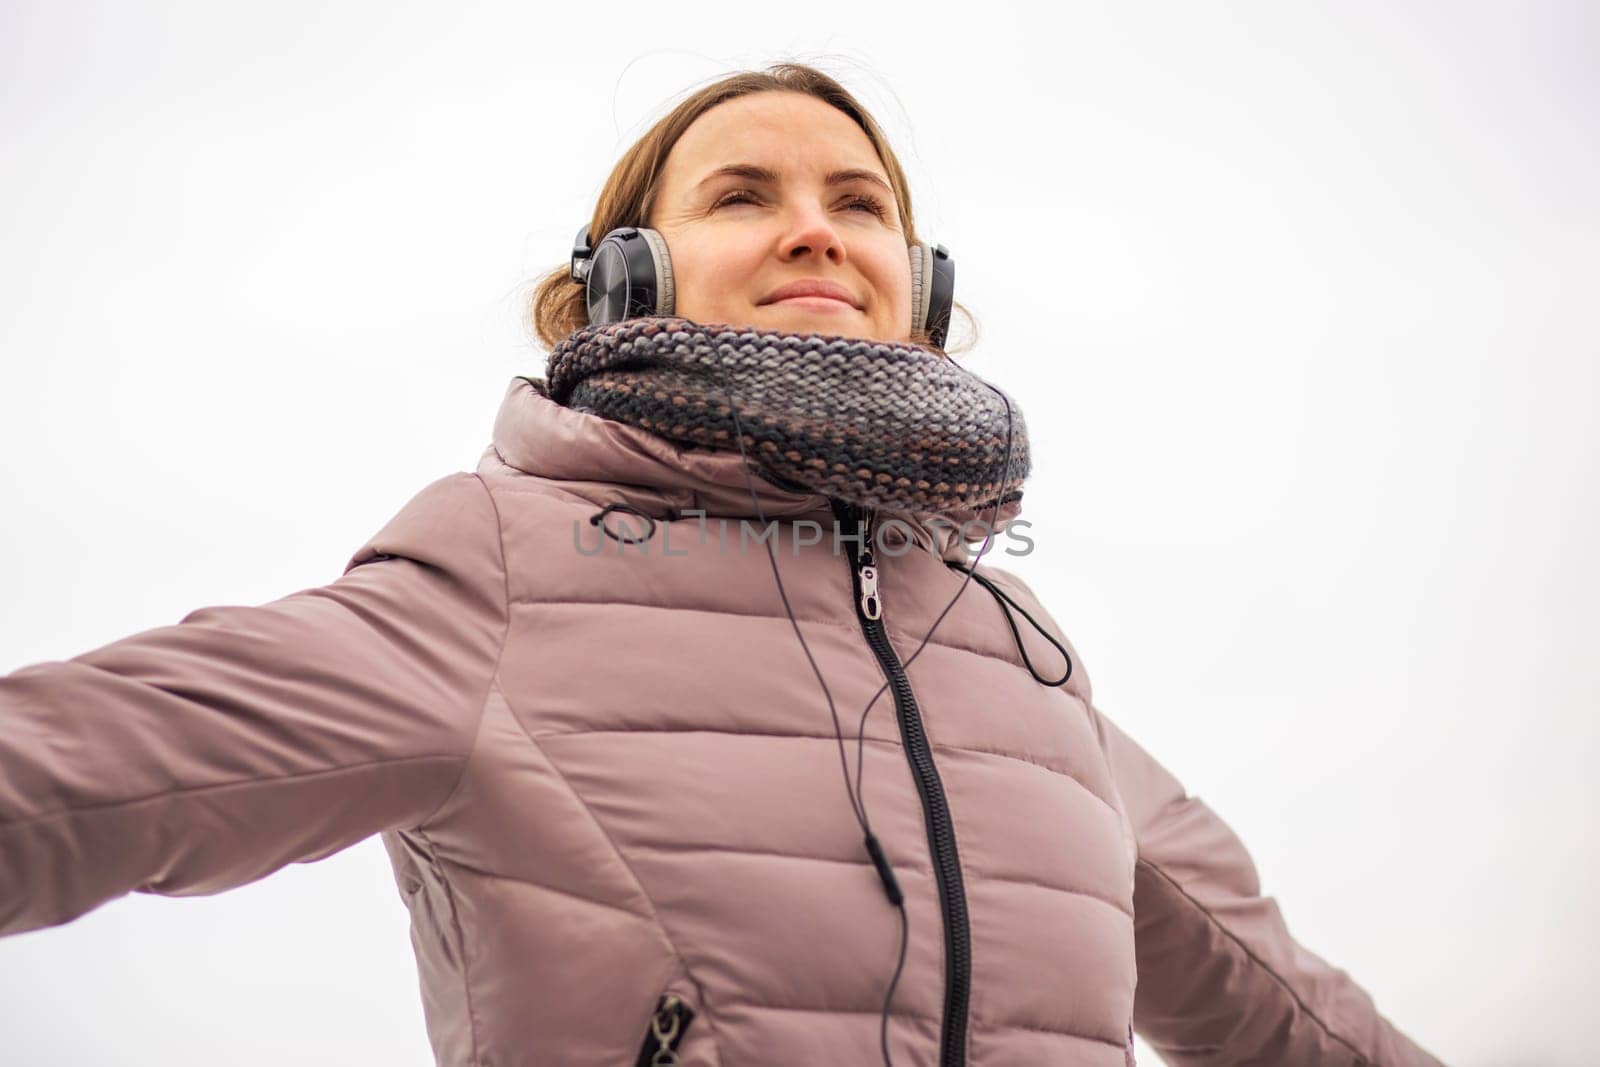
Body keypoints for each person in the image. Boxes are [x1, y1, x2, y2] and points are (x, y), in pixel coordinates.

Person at [0, 62, 1444, 1067]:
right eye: (744, 192)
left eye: (861, 202)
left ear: (919, 285)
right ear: (624, 276)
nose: (815, 224)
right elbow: (81, 769)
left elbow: (1291, 1024)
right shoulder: (499, 569)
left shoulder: (1027, 659)